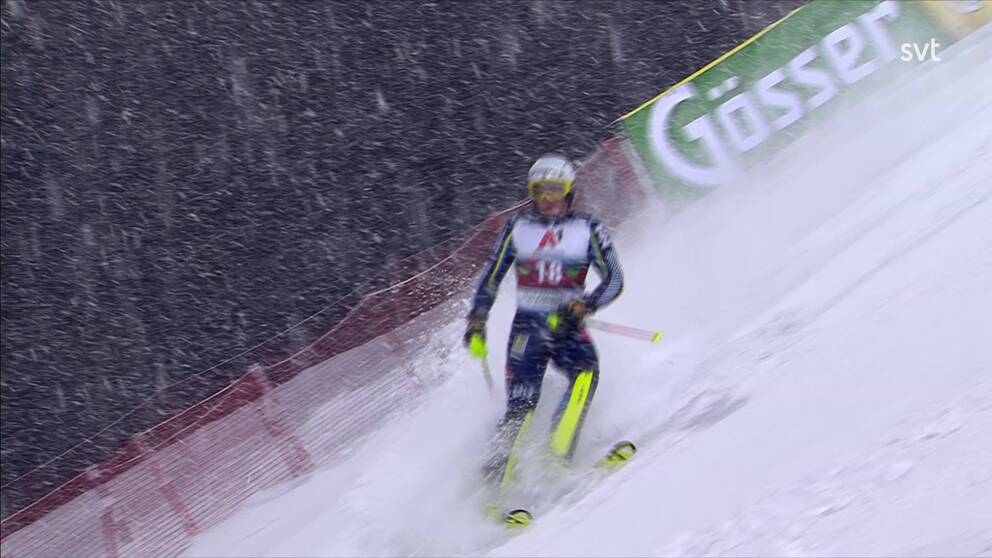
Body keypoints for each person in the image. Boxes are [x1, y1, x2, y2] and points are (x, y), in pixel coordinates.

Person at [463, 153, 625, 496]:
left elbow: (614, 279)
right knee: (522, 403)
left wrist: (587, 303)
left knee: (585, 374)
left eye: (555, 189)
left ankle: (557, 456)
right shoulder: (518, 228)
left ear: (569, 191)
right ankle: (492, 486)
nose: (548, 198)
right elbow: (492, 276)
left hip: (567, 326)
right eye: (540, 191)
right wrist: (478, 319)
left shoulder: (587, 228)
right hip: (528, 329)